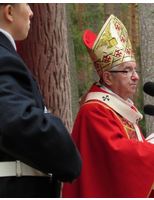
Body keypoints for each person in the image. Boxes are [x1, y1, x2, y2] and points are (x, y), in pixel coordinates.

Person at [62, 14, 154, 198]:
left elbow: (136, 148)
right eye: (127, 71)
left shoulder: (119, 109)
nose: (136, 77)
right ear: (107, 77)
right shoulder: (94, 110)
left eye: (135, 70)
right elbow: (119, 154)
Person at [0, 3, 82, 197]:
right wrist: (67, 156)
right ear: (9, 12)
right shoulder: (3, 57)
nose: (31, 12)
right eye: (27, 4)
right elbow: (17, 120)